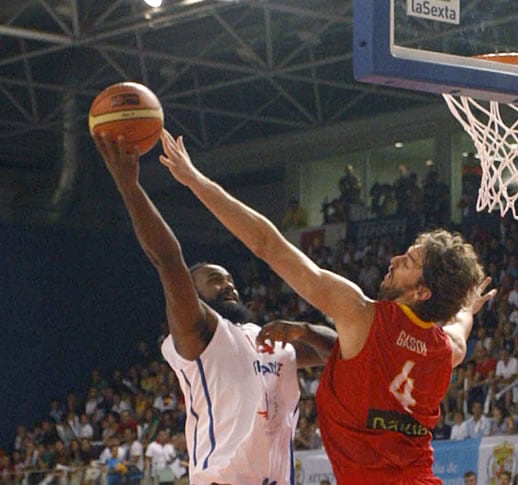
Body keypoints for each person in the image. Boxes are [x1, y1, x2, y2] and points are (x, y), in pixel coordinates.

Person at [157, 129, 495, 482]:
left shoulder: (362, 315)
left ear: (422, 293)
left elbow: (267, 244)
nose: (395, 260)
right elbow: (461, 323)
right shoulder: (446, 348)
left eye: (408, 262)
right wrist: (464, 306)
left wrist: (195, 181)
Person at [94, 133, 337, 484]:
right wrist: (129, 188)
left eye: (231, 280)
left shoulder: (267, 339)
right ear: (191, 294)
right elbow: (167, 258)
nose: (229, 285)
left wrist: (306, 330)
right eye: (214, 279)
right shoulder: (200, 337)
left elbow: (341, 350)